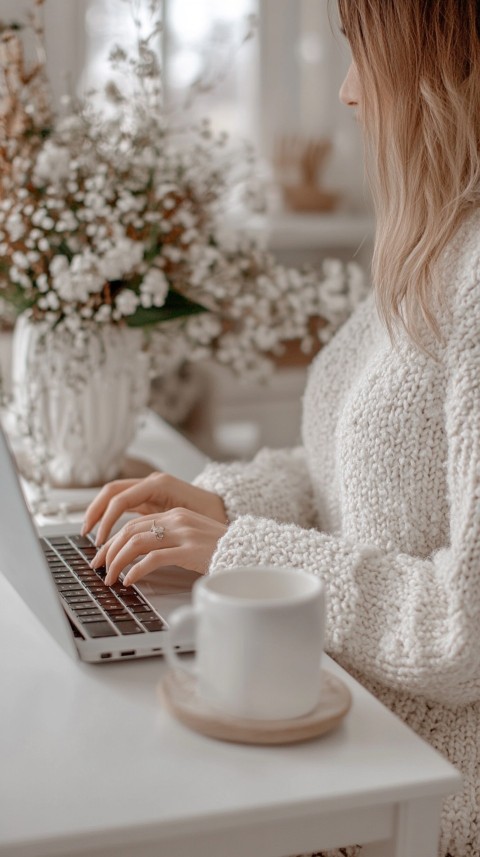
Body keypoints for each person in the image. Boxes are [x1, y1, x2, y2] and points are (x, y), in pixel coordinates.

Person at [82, 2, 480, 854]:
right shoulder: (431, 249)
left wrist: (239, 548)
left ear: (444, 62)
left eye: (359, 53)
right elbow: (345, 464)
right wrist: (216, 503)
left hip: (407, 797)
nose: (345, 93)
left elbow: (462, 634)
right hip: (336, 729)